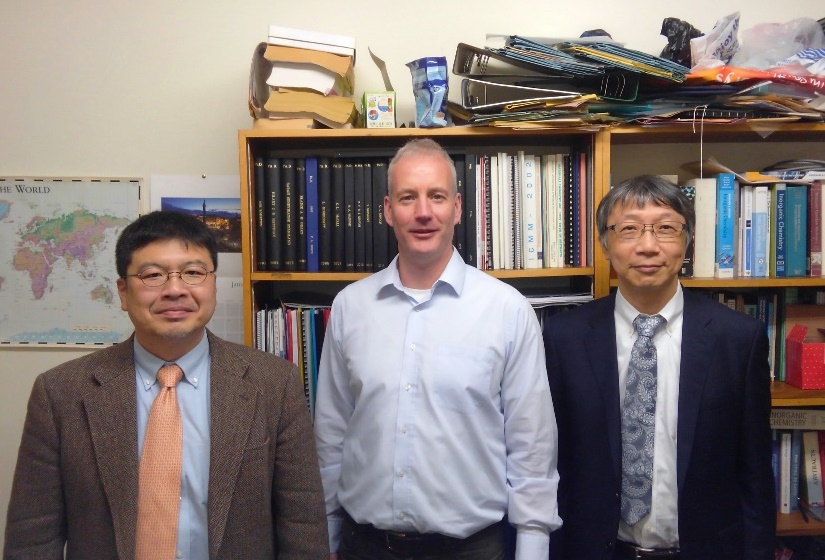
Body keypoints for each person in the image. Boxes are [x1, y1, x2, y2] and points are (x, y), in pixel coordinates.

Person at [4, 210, 329, 559]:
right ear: (123, 292)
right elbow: (33, 534)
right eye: (153, 275)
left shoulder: (273, 383)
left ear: (212, 284)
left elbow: (303, 524)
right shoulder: (61, 392)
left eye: (192, 273)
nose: (175, 290)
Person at [313, 138, 561, 560]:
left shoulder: (506, 309)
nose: (423, 212)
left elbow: (531, 444)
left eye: (437, 197)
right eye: (408, 197)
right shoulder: (350, 307)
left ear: (458, 208)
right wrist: (329, 537)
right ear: (389, 210)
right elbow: (331, 434)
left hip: (472, 549)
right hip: (365, 547)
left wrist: (533, 549)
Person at [544, 175, 776, 560]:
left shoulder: (738, 338)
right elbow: (552, 461)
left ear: (687, 242)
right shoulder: (565, 338)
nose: (648, 246)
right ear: (605, 244)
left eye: (666, 229)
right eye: (629, 229)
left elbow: (753, 472)